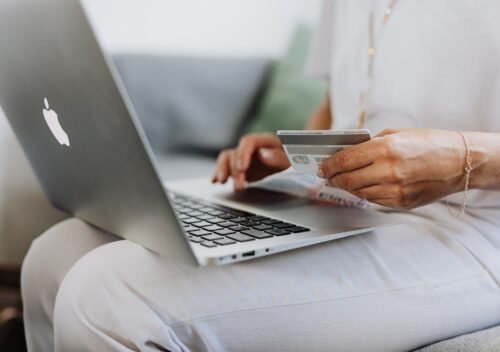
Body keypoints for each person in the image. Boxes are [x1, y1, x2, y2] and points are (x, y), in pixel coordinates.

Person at [21, 1, 500, 351]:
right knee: (53, 256)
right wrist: (302, 158)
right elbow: (338, 105)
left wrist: (462, 157)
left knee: (106, 298)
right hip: (354, 204)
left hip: (470, 227)